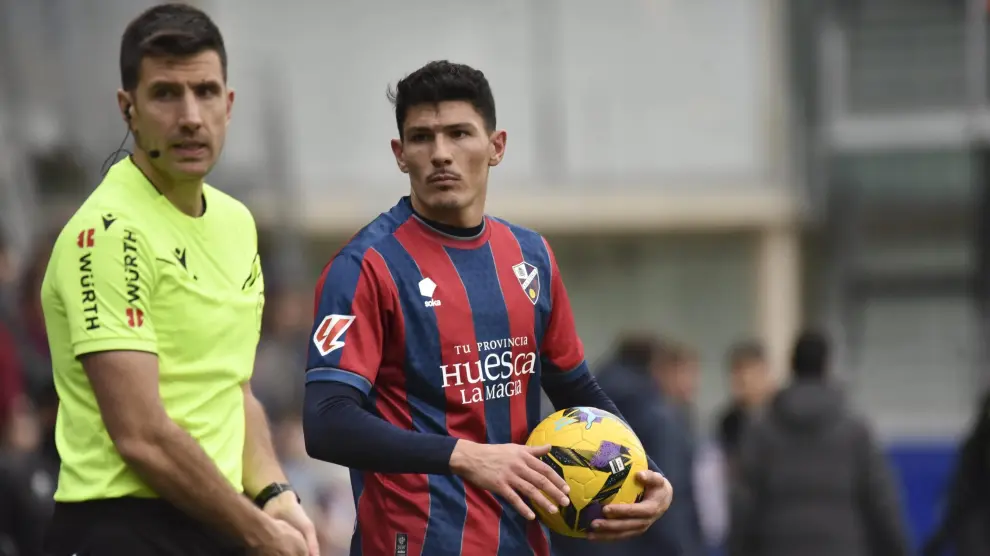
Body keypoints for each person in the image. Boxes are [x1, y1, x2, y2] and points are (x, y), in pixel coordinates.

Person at [302, 60, 673, 556]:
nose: (440, 154)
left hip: (524, 542)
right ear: (400, 154)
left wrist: (644, 470)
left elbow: (573, 387)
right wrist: (463, 456)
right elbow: (327, 421)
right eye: (421, 138)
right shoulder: (365, 267)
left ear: (496, 146)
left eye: (459, 133)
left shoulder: (530, 257)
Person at [40, 4, 317, 555]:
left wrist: (275, 494)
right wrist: (259, 532)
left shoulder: (237, 224)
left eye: (206, 92)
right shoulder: (107, 233)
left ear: (228, 105)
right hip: (120, 528)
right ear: (129, 109)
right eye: (166, 93)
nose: (191, 115)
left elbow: (232, 390)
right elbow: (141, 437)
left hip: (217, 518)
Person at [728, 331, 908, 556]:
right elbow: (882, 504)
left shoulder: (762, 431)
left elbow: (743, 507)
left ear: (792, 366)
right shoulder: (855, 430)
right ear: (827, 366)